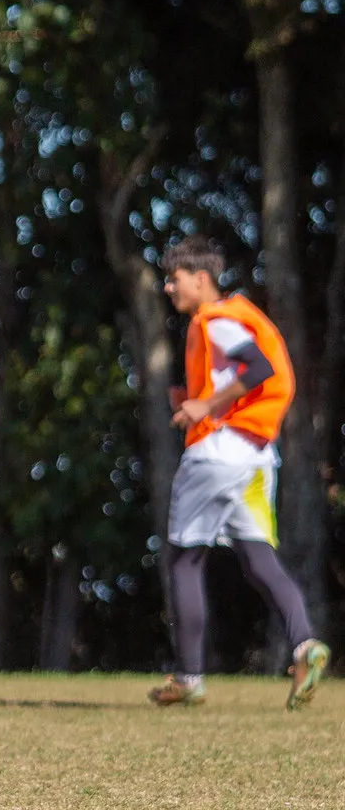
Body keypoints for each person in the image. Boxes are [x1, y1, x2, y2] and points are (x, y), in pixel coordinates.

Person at [149, 237, 329, 708]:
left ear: (202, 279)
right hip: (256, 454)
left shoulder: (217, 318)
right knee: (256, 557)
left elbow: (259, 367)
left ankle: (188, 679)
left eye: (176, 278)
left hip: (218, 450)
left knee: (184, 559)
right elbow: (247, 375)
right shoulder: (241, 315)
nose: (169, 287)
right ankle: (306, 645)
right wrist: (195, 399)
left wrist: (205, 405)